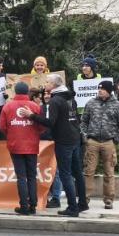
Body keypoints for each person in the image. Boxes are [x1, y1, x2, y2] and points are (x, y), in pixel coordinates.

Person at [24, 73, 87, 217]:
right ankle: (82, 203)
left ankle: (72, 207)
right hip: (75, 138)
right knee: (77, 172)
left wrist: (31, 115)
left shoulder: (55, 100)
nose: (45, 84)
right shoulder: (70, 97)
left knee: (65, 174)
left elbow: (50, 122)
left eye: (47, 82)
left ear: (53, 85)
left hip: (64, 140)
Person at [81, 80, 119, 210]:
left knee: (109, 172)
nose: (100, 91)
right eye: (99, 89)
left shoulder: (118, 105)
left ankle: (108, 200)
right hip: (92, 141)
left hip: (108, 142)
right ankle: (84, 199)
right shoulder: (91, 103)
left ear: (109, 91)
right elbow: (83, 121)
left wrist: (116, 139)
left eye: (103, 89)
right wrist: (85, 137)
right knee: (88, 171)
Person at [0, 82, 43, 215]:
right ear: (27, 92)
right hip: (32, 145)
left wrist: (11, 135)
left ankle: (24, 206)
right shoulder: (35, 106)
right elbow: (42, 126)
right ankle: (33, 205)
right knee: (32, 176)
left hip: (15, 145)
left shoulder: (8, 106)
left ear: (15, 92)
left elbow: (1, 126)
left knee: (21, 177)